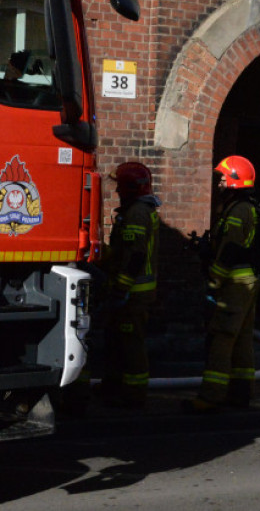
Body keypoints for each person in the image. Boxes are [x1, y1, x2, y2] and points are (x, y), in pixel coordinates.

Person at [186, 155, 260, 413]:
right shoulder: (240, 206)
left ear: (234, 181)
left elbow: (230, 249)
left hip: (235, 283)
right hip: (245, 280)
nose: (219, 182)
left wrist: (214, 280)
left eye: (223, 178)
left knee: (222, 335)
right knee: (241, 337)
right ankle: (241, 393)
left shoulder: (239, 210)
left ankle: (211, 396)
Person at [98, 161, 161, 409]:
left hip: (134, 294)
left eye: (121, 186)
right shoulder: (136, 210)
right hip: (130, 291)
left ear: (132, 188)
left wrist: (122, 288)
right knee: (116, 340)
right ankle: (113, 386)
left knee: (131, 343)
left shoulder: (137, 213)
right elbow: (124, 252)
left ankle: (134, 395)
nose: (117, 191)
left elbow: (135, 256)